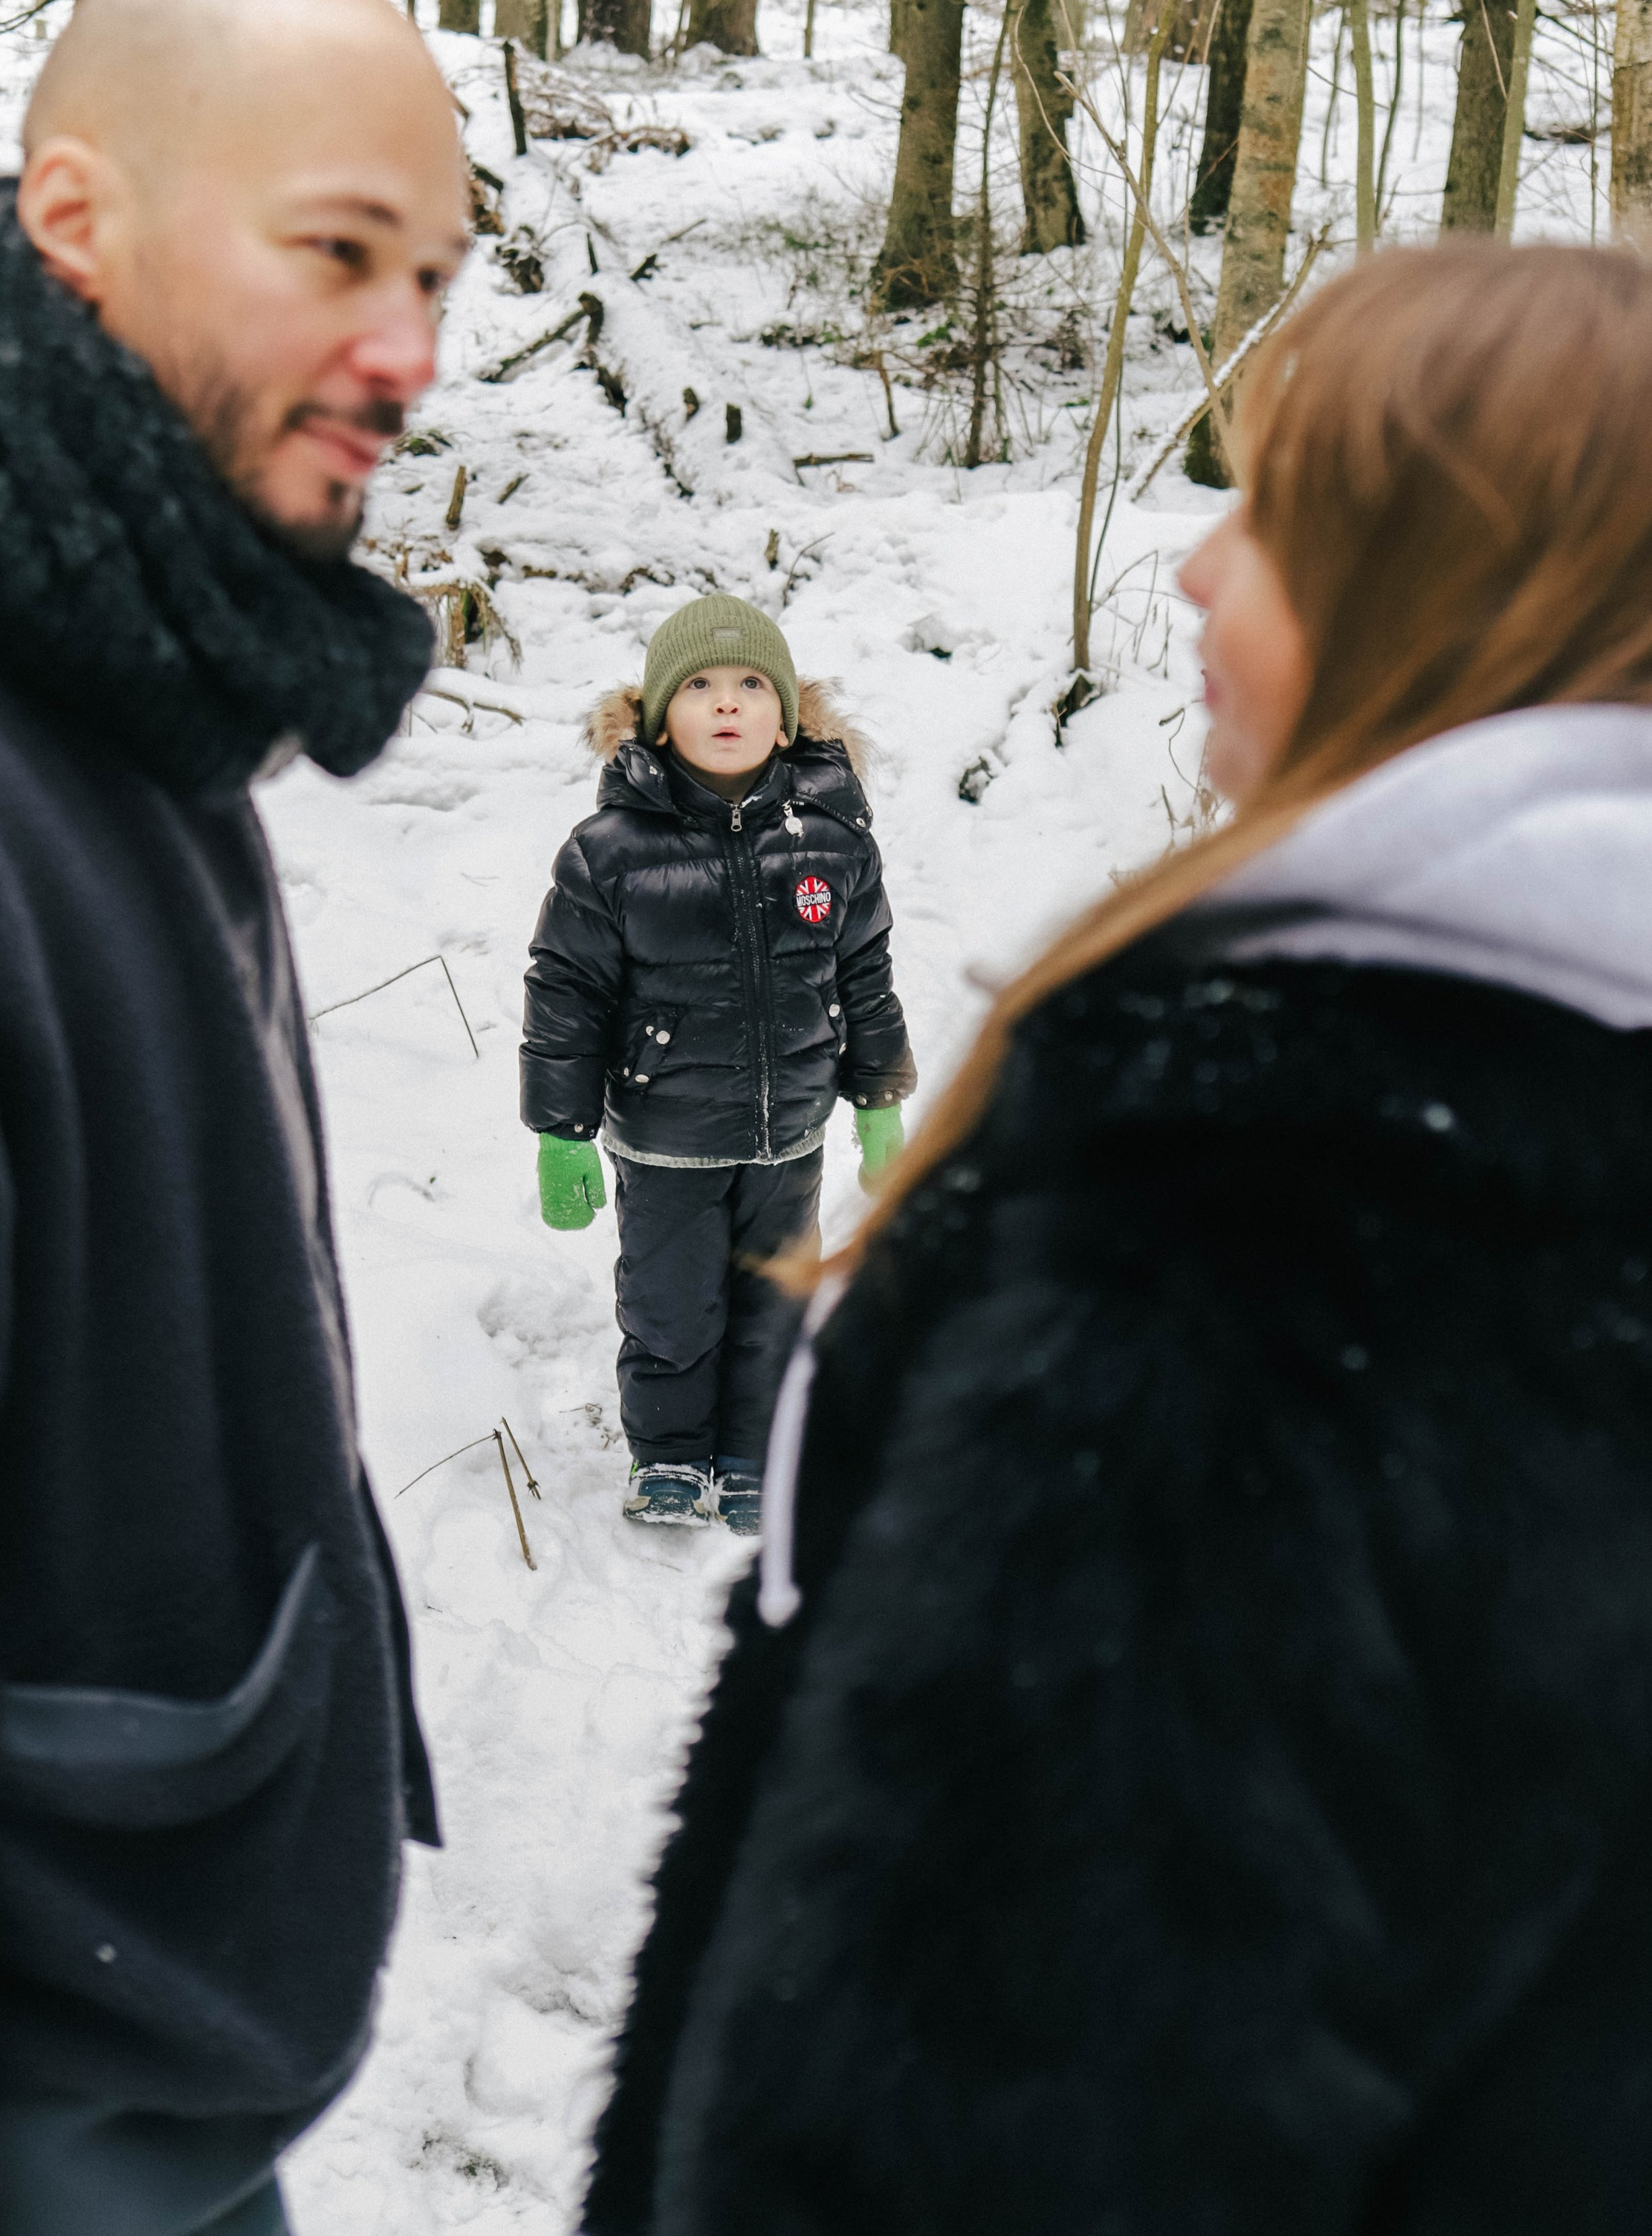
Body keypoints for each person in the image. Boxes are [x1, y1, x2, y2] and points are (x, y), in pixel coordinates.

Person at [583, 242, 1652, 2236]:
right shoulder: (1544, 1124)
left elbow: (983, 2117)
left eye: (1267, 513)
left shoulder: (1275, 1227)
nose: (1189, 571)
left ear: (1445, 588)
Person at [0, 0, 473, 2235]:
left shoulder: (88, 622)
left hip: (98, 2076)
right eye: (339, 252)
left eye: (438, 277)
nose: (407, 353)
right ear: (78, 221)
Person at [521, 597, 916, 1533]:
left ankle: (749, 1456)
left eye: (750, 687)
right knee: (670, 1309)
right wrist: (560, 1131)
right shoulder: (607, 853)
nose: (727, 704)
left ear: (787, 716)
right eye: (700, 686)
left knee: (772, 1303)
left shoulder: (832, 840)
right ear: (661, 718)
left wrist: (879, 1102)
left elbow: (864, 974)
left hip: (790, 1137)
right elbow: (564, 994)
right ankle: (667, 1459)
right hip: (664, 1137)